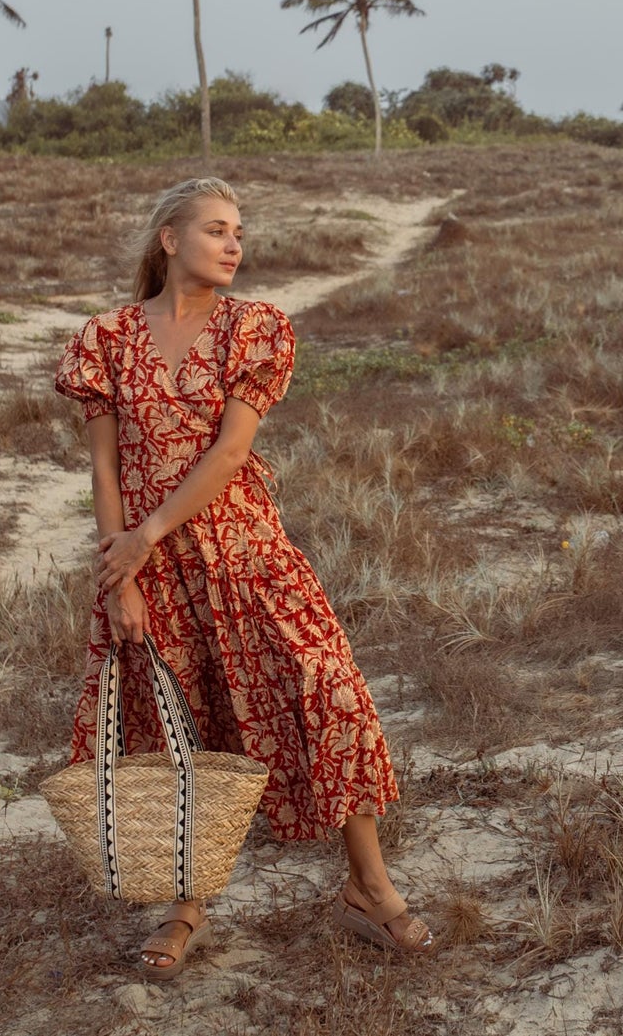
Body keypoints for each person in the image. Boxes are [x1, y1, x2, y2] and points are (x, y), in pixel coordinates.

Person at [53, 176, 431, 978]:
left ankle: (368, 886)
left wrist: (147, 534)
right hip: (154, 574)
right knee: (182, 729)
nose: (234, 245)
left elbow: (230, 453)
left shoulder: (251, 328)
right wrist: (122, 575)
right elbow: (104, 469)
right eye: (217, 229)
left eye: (239, 232)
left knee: (328, 690)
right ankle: (185, 905)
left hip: (247, 553)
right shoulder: (107, 338)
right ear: (170, 239)